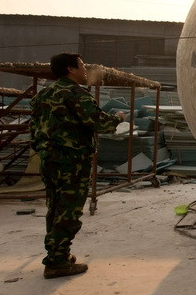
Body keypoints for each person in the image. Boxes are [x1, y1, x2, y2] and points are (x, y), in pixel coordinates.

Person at [30, 53, 126, 279]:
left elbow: (34, 129)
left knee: (55, 208)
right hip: (71, 162)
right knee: (69, 212)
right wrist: (118, 118)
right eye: (82, 66)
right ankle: (56, 262)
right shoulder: (75, 94)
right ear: (71, 69)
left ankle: (58, 253)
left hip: (49, 160)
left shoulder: (43, 95)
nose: (85, 70)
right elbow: (98, 122)